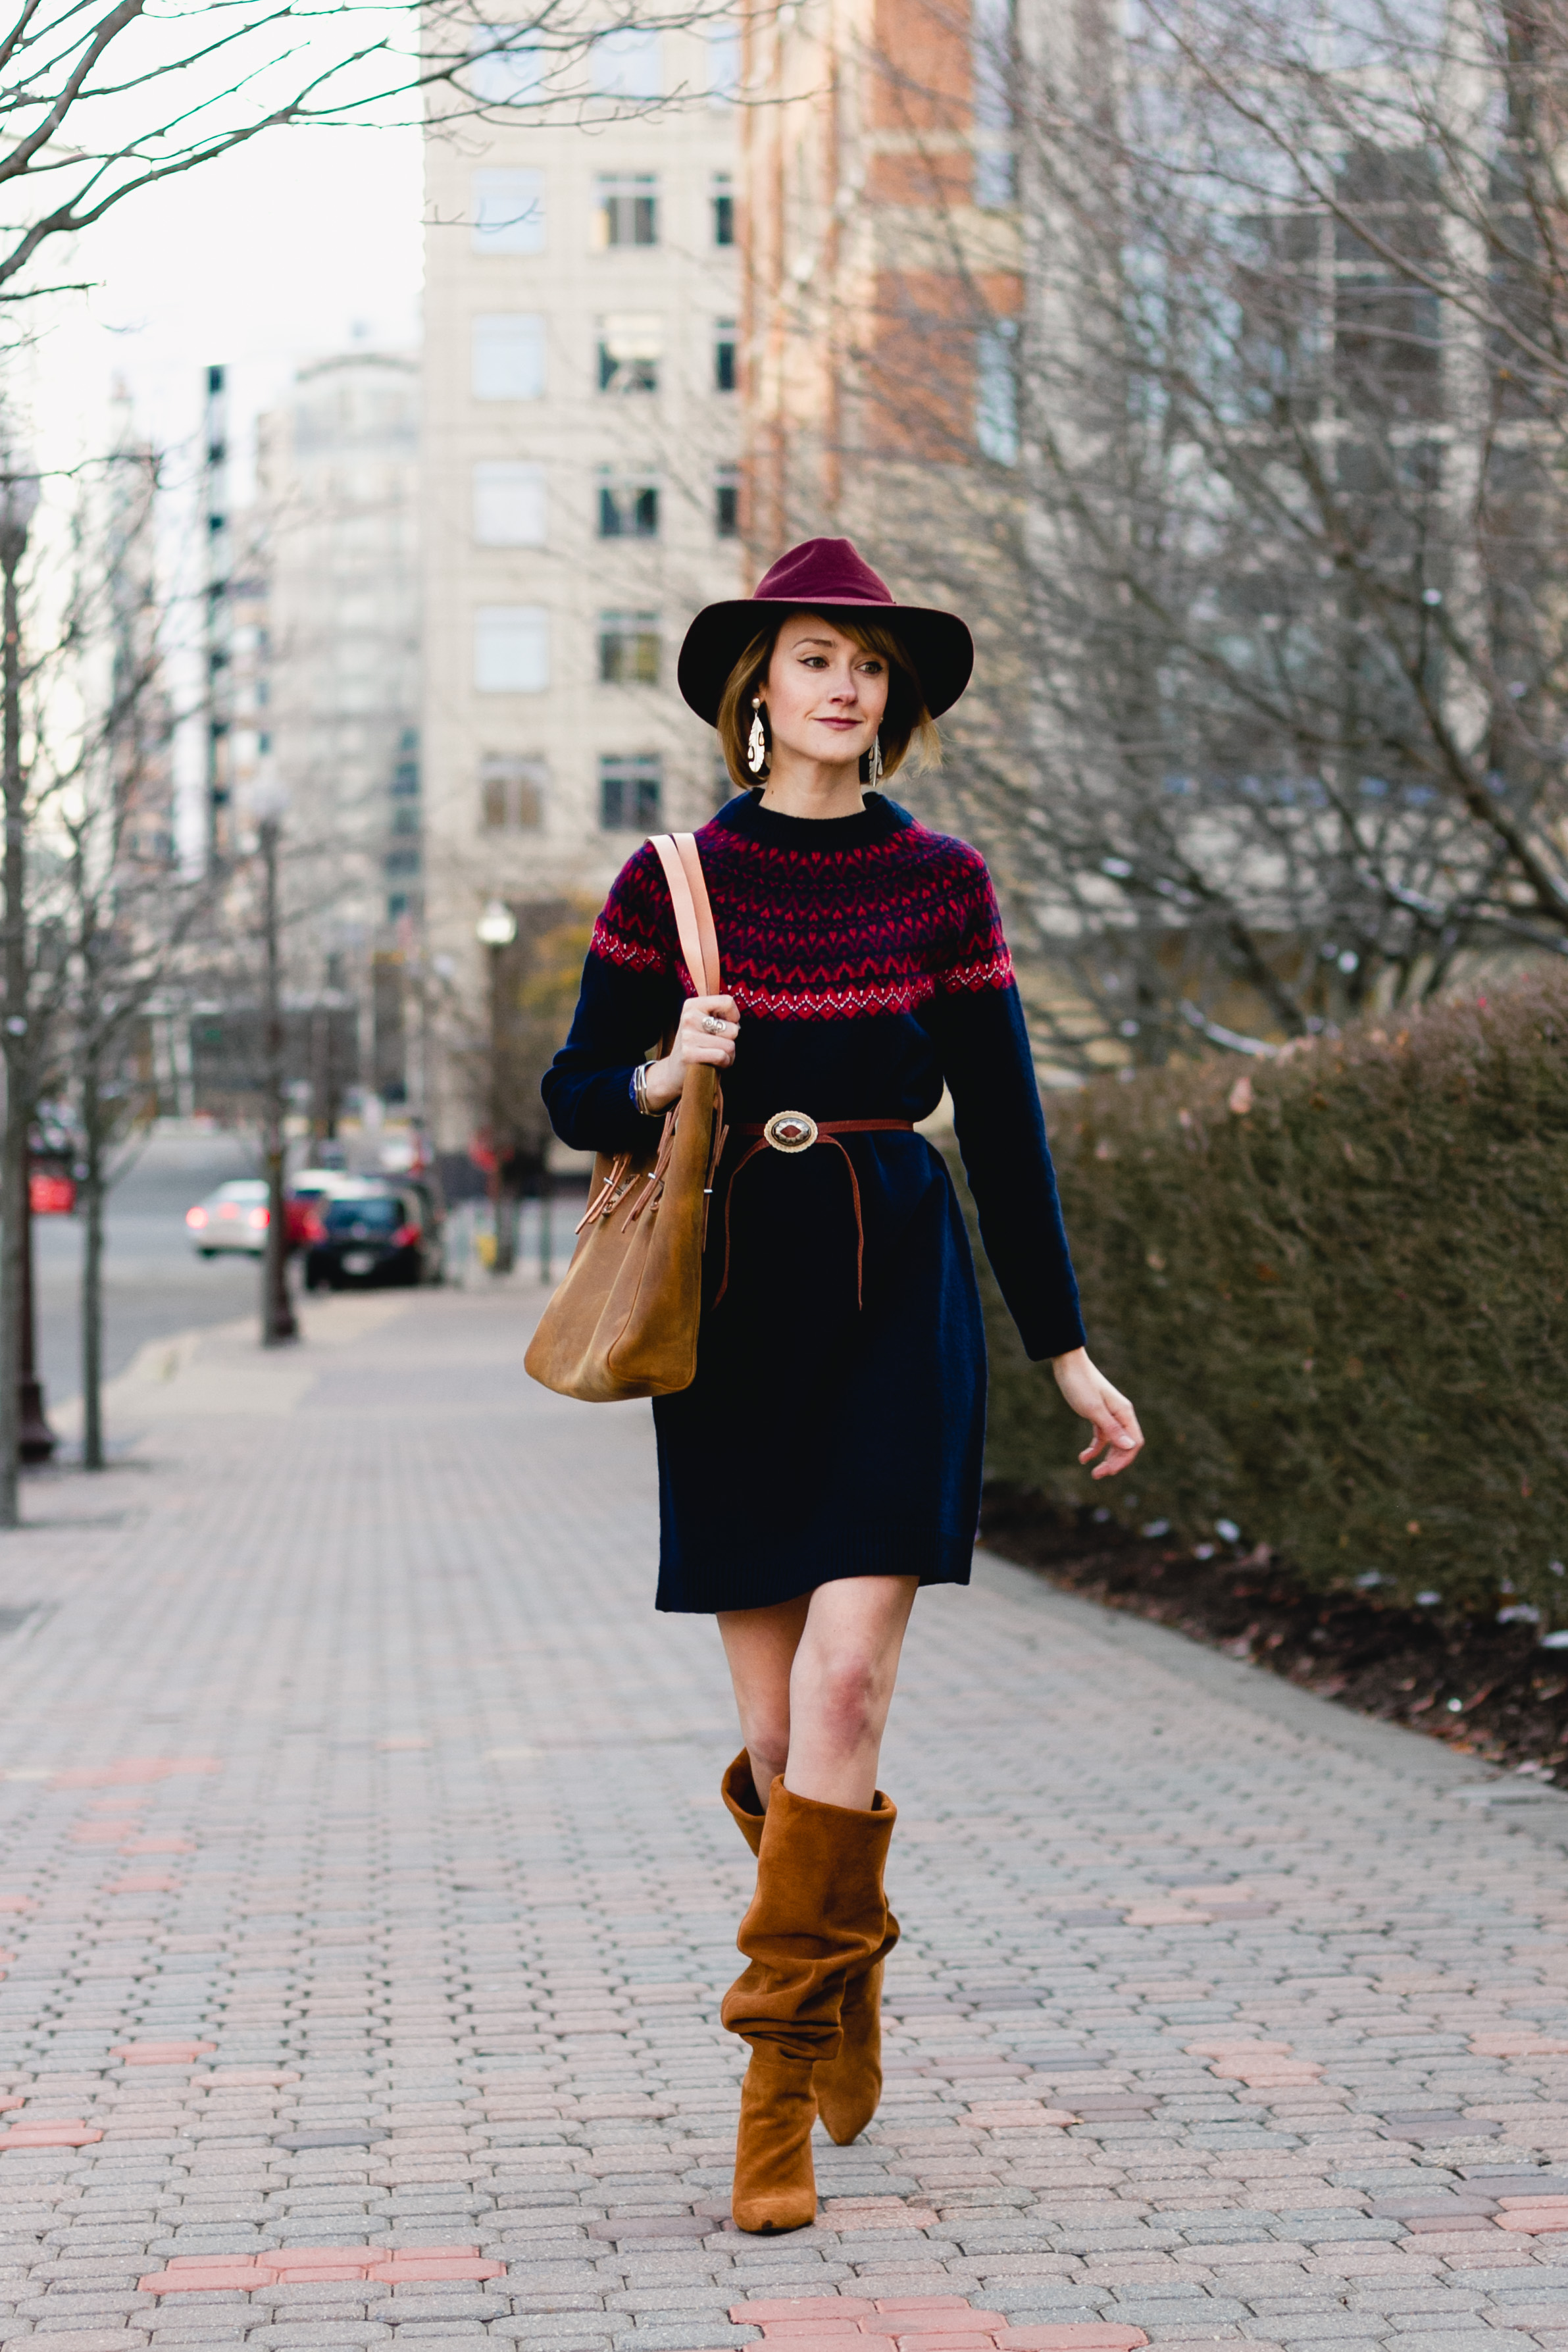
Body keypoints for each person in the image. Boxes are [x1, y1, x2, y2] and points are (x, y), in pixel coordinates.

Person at [542, 537, 1143, 2235]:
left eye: (870, 666)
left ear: (894, 702)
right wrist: (671, 1066)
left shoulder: (942, 881)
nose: (844, 685)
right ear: (757, 689)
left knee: (850, 1692)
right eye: (816, 656)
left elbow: (1010, 1131)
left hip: (897, 1279)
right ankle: (841, 1966)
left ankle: (770, 2089)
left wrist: (1068, 1349)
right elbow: (578, 1090)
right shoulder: (670, 881)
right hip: (728, 1299)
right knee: (768, 1728)